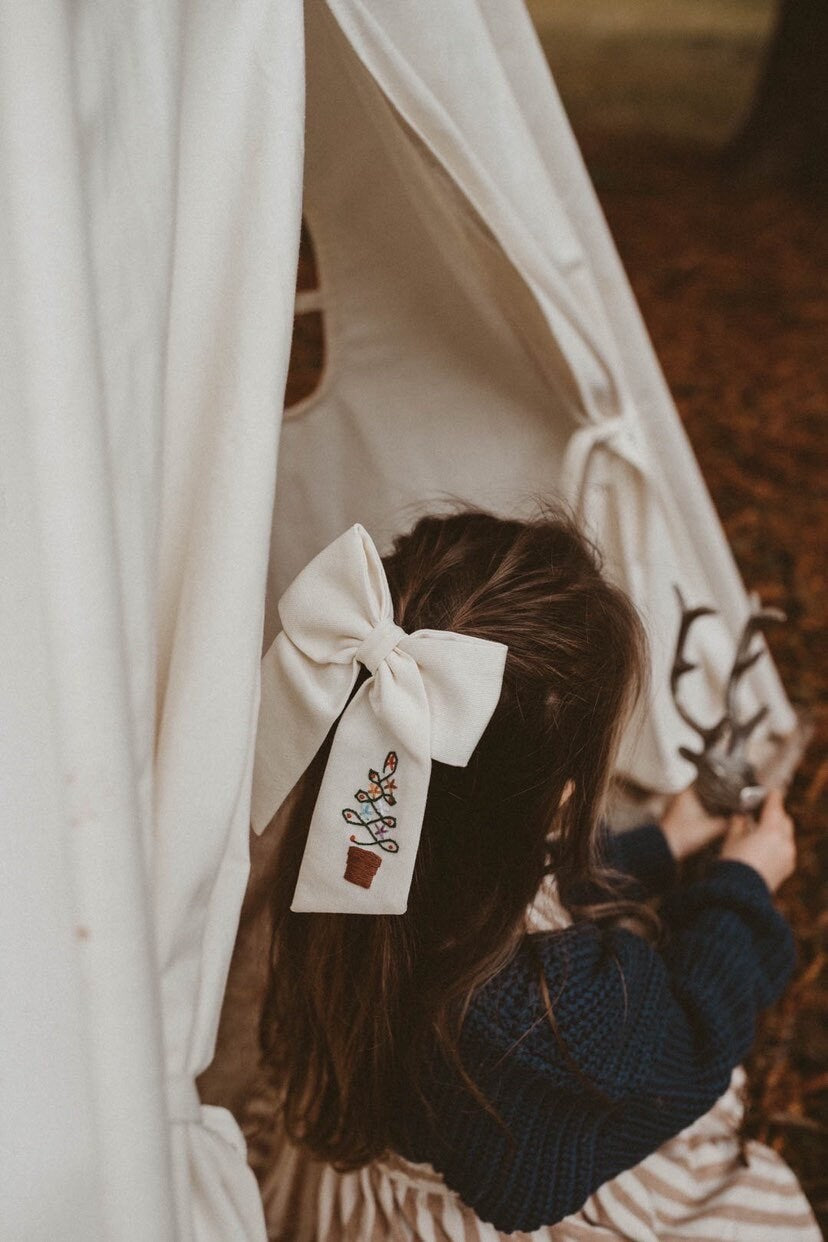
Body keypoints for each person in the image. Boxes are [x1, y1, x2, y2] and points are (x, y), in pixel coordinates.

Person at [202, 508, 820, 1241]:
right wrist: (742, 888)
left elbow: (529, 885)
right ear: (560, 800)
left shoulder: (359, 847)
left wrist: (663, 841)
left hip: (348, 1157)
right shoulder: (549, 1024)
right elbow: (689, 1035)